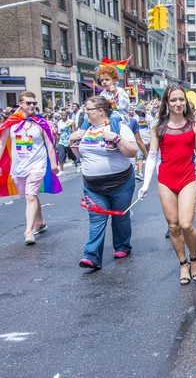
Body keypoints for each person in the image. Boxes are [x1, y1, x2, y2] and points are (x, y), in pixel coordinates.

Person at [138, 85, 196, 284]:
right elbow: (152, 156)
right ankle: (183, 263)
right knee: (174, 226)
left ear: (186, 102)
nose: (178, 104)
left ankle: (194, 259)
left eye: (181, 99)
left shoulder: (194, 126)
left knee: (187, 224)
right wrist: (145, 184)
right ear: (166, 103)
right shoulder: (157, 127)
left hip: (187, 179)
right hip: (166, 181)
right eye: (173, 100)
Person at [69, 97, 138, 269]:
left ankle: (122, 246)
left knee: (119, 217)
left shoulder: (119, 127)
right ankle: (91, 256)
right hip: (93, 186)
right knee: (96, 219)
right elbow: (79, 155)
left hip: (120, 183)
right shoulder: (85, 130)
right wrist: (72, 141)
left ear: (101, 111)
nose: (86, 113)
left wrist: (116, 139)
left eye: (89, 110)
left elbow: (132, 152)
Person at [0, 91, 61, 245]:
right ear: (21, 103)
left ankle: (29, 231)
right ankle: (40, 221)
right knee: (29, 195)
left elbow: (49, 145)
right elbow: (2, 143)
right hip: (19, 166)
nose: (32, 106)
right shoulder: (11, 122)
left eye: (34, 103)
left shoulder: (40, 123)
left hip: (37, 165)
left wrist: (53, 164)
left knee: (30, 196)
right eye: (29, 103)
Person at [77, 65, 129, 151]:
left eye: (107, 79)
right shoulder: (103, 93)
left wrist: (115, 93)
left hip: (119, 114)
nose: (104, 82)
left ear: (114, 80)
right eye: (102, 80)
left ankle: (113, 140)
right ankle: (81, 137)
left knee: (114, 117)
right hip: (105, 114)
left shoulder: (120, 90)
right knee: (88, 118)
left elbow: (124, 105)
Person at [56, 109, 79, 176]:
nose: (63, 117)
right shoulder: (59, 122)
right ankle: (61, 170)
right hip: (62, 141)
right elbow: (58, 133)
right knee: (61, 155)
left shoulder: (71, 122)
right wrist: (57, 142)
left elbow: (73, 131)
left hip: (69, 140)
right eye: (62, 115)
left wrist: (72, 140)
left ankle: (76, 165)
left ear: (67, 116)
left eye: (65, 115)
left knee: (71, 154)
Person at [134, 103, 152, 180]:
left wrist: (151, 139)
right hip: (140, 141)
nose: (138, 113)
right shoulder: (135, 119)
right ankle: (140, 173)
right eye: (137, 112)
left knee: (150, 158)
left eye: (139, 111)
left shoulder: (150, 118)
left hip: (148, 140)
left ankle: (150, 174)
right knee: (140, 157)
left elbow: (152, 130)